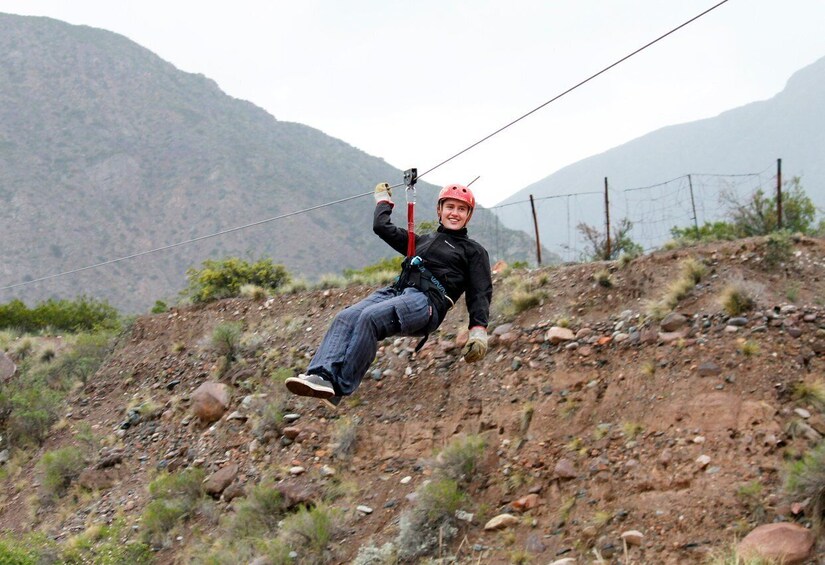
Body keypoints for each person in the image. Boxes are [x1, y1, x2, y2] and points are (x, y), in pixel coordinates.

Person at [284, 181, 493, 408]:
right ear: (439, 210)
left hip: (426, 303)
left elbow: (480, 293)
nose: (455, 213)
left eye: (461, 209)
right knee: (345, 317)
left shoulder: (473, 252)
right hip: (397, 292)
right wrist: (384, 201)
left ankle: (340, 386)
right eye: (450, 207)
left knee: (370, 318)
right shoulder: (420, 241)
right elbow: (381, 227)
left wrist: (478, 332)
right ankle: (321, 376)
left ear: (468, 216)